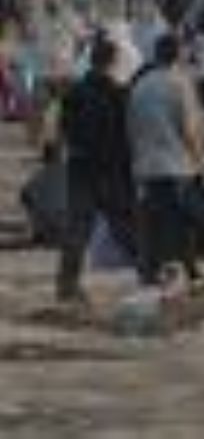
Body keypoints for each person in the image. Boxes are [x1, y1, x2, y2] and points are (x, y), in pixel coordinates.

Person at [56, 35, 137, 302]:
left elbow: (64, 129)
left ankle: (66, 285)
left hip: (79, 166)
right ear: (112, 62)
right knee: (126, 225)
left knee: (77, 228)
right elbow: (124, 136)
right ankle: (149, 273)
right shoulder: (118, 94)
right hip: (110, 169)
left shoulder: (75, 92)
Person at [126, 32, 204, 289]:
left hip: (144, 164)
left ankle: (150, 274)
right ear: (179, 55)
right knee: (181, 223)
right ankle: (191, 274)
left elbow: (130, 126)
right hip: (175, 163)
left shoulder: (140, 84)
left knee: (152, 222)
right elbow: (190, 129)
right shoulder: (180, 84)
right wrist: (199, 161)